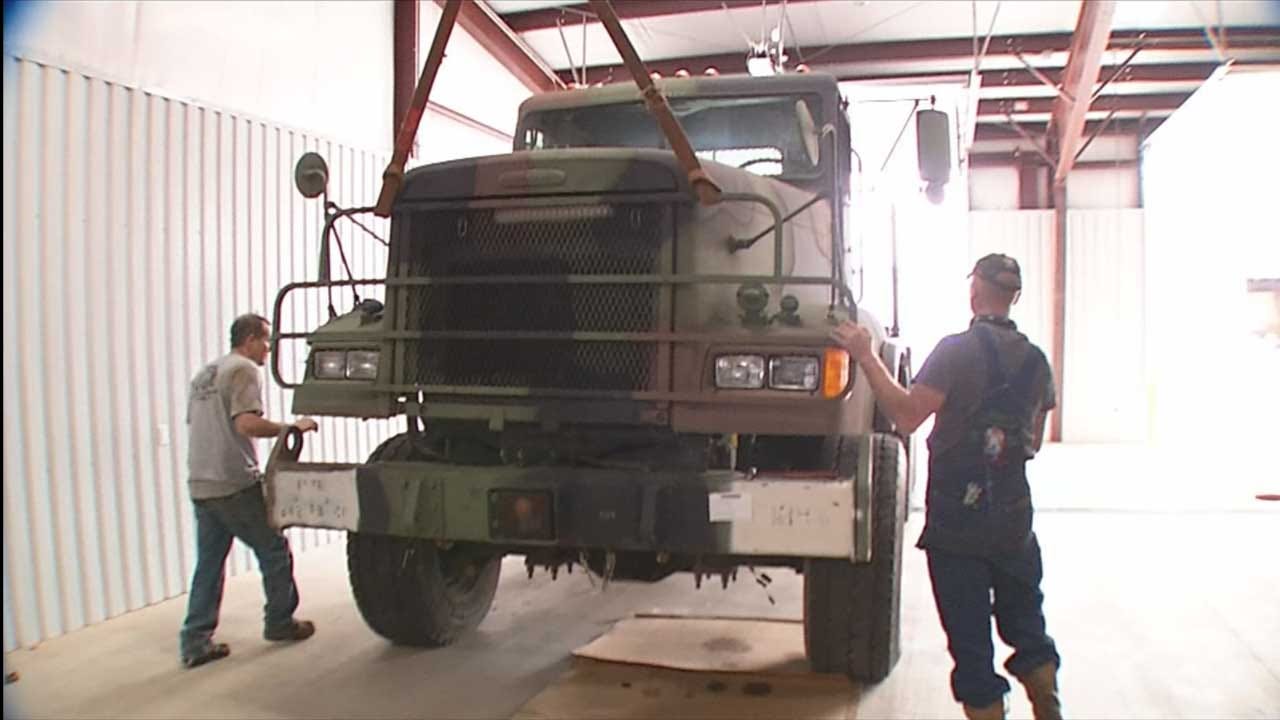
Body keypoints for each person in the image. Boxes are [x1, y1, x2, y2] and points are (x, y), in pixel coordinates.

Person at [830, 254, 1061, 720]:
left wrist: (866, 355)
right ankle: (1049, 707)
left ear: (974, 292)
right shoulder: (1037, 363)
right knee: (1028, 626)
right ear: (1014, 296)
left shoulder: (956, 351)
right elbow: (1032, 441)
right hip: (1015, 518)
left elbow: (907, 415)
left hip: (959, 523)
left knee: (972, 645)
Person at [179, 313, 320, 668]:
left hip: (201, 482)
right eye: (266, 341)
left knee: (209, 565)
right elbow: (246, 424)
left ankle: (195, 641)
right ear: (251, 339)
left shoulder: (205, 374)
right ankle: (280, 622)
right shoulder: (243, 370)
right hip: (232, 483)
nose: (269, 349)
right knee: (274, 549)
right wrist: (292, 428)